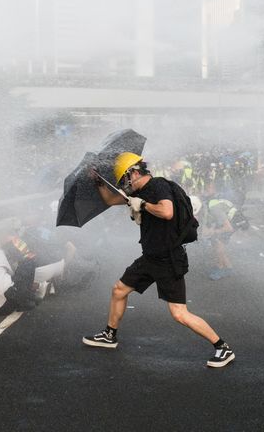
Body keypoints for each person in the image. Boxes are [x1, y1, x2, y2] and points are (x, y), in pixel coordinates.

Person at [82, 152, 235, 368]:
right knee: (119, 290)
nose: (124, 184)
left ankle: (222, 347)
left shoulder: (158, 185)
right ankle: (109, 335)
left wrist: (142, 205)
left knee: (180, 314)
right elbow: (110, 199)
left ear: (134, 172)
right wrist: (98, 179)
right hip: (150, 257)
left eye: (125, 179)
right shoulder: (140, 192)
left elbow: (167, 211)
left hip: (168, 259)